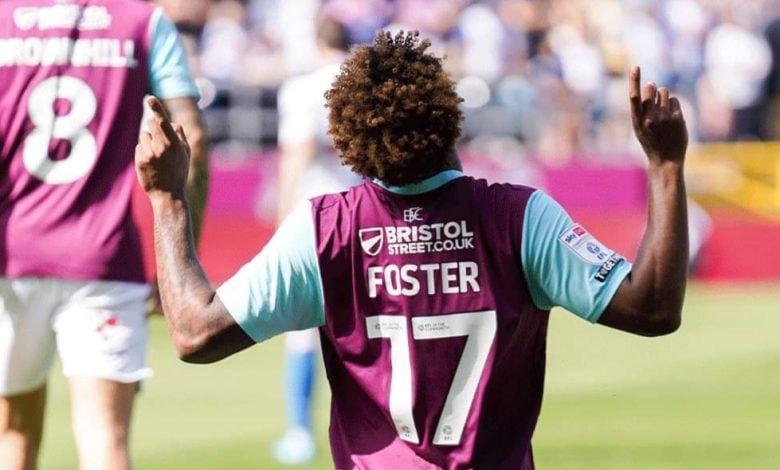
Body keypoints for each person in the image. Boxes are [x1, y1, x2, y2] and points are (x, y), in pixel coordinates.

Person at [136, 31, 688, 469]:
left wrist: (167, 198)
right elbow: (652, 309)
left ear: (350, 141)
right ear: (450, 115)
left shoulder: (325, 229)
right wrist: (665, 165)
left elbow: (193, 333)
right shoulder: (521, 218)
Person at [0, 1, 207, 469]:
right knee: (105, 442)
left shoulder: (3, 19)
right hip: (105, 256)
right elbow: (189, 129)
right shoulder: (143, 21)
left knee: (12, 434)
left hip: (12, 255)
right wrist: (182, 255)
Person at [271, 14, 359, 465]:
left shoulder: (305, 88)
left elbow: (299, 152)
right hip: (370, 218)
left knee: (304, 331)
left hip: (318, 222)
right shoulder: (367, 80)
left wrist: (282, 217)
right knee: (371, 326)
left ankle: (300, 432)